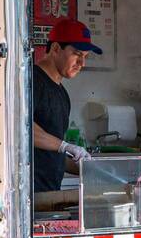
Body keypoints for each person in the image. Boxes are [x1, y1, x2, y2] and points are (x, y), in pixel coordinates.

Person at [32, 18, 101, 193]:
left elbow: (53, 154)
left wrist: (91, 169)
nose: (82, 64)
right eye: (77, 54)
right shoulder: (32, 80)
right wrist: (66, 146)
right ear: (56, 48)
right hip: (29, 193)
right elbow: (21, 130)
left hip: (50, 192)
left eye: (85, 57)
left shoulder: (62, 94)